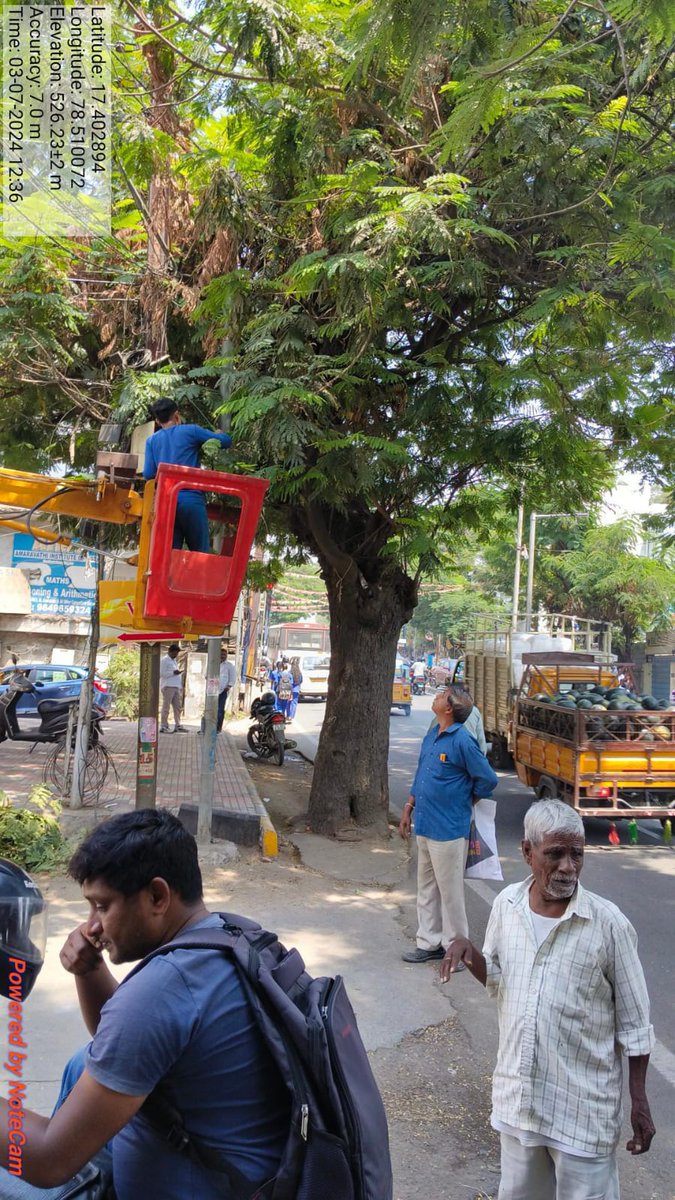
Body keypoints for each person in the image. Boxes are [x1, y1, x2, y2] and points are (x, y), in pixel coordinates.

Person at [0, 809, 290, 1197]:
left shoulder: (162, 990)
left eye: (102, 906)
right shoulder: (229, 936)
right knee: (82, 1062)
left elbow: (46, 1160)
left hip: (208, 1184)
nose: (91, 926)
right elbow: (126, 1049)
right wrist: (90, 972)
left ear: (157, 896)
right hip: (250, 1177)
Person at [441, 799, 655, 1200]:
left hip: (582, 1113)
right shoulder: (507, 906)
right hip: (520, 1104)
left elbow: (635, 1025)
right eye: (555, 855)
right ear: (527, 852)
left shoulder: (609, 925)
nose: (568, 867)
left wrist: (639, 1101)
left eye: (577, 854)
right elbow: (502, 983)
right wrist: (470, 953)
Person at [399, 688, 498, 963]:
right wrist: (408, 807)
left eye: (442, 695)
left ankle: (456, 948)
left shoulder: (462, 741)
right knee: (426, 887)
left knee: (450, 893)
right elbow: (421, 775)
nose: (436, 697)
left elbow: (488, 779)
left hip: (450, 829)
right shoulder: (432, 735)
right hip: (426, 824)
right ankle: (429, 943)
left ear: (449, 708)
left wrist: (466, 799)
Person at [143, 397, 232, 553]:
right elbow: (225, 442)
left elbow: (149, 474)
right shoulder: (191, 431)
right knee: (200, 554)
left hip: (165, 503)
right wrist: (220, 434)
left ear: (157, 421)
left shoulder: (151, 441)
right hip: (191, 500)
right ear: (177, 415)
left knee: (169, 556)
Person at [429, 684, 488, 755]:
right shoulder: (475, 711)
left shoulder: (446, 713)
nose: (438, 696)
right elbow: (481, 742)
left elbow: (431, 736)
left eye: (445, 695)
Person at [159, 643, 186, 733]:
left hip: (175, 686)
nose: (176, 655)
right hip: (168, 686)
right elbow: (162, 673)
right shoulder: (164, 660)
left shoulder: (174, 661)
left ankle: (178, 725)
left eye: (177, 654)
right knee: (166, 707)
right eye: (174, 653)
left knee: (177, 707)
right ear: (169, 651)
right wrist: (174, 673)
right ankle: (164, 726)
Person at [217, 648, 237, 732]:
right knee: (211, 710)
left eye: (224, 655)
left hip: (223, 691)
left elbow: (233, 677)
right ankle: (210, 727)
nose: (222, 656)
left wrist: (228, 686)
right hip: (212, 691)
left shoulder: (229, 665)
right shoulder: (213, 664)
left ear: (226, 656)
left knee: (220, 710)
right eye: (221, 654)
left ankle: (218, 728)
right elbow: (206, 675)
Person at [288, 657, 303, 721]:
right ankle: (292, 716)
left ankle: (288, 715)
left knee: (288, 703)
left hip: (289, 690)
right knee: (294, 703)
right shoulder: (299, 673)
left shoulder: (289, 673)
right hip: (296, 690)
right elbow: (301, 681)